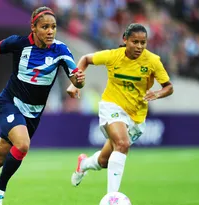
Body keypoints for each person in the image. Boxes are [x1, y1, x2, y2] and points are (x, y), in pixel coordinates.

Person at [0, 6, 85, 205]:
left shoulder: (61, 49)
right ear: (33, 28)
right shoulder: (18, 43)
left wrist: (78, 83)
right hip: (10, 103)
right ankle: (0, 190)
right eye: (45, 27)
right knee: (23, 145)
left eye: (53, 27)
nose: (50, 31)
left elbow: (75, 76)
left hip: (33, 113)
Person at [67, 23, 173, 194]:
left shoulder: (153, 61)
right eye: (135, 42)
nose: (139, 47)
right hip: (112, 105)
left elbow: (169, 87)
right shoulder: (113, 56)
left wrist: (157, 94)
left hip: (136, 116)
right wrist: (75, 83)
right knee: (122, 144)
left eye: (143, 43)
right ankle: (112, 198)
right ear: (125, 40)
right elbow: (85, 59)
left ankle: (84, 164)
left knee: (103, 161)